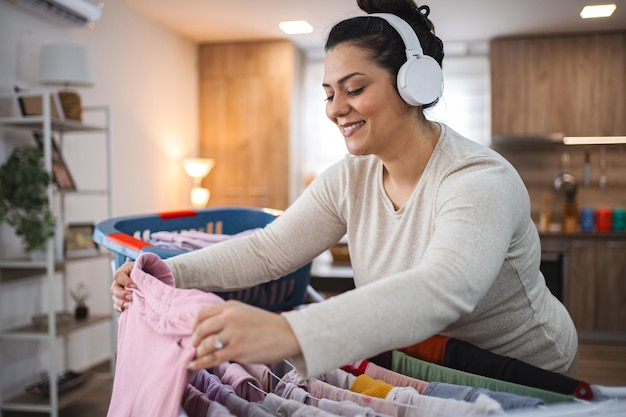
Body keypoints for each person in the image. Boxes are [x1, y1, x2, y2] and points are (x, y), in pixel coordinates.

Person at [111, 0, 578, 379]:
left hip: (523, 370)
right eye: (329, 93)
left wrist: (288, 332)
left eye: (354, 88)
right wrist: (168, 272)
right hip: (428, 362)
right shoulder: (351, 178)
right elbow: (268, 250)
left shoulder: (477, 180)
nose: (336, 109)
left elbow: (443, 289)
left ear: (412, 86)